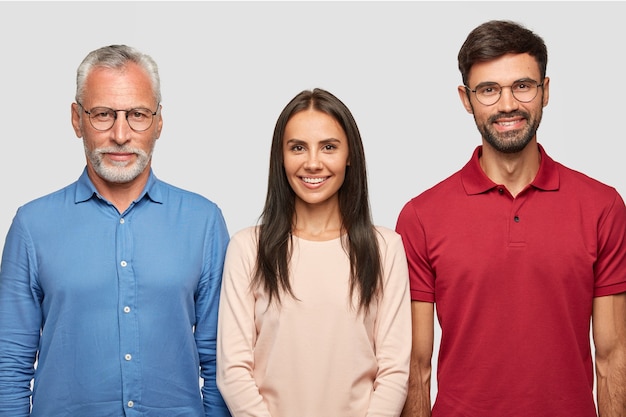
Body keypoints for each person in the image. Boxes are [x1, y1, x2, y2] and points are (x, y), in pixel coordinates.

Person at [396, 20, 626, 417]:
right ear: (466, 99)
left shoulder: (602, 207)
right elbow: (416, 368)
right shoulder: (421, 216)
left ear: (545, 91)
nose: (507, 105)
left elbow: (612, 358)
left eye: (522, 86)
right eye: (488, 90)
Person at [0, 45, 231, 417]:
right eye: (103, 114)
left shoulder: (204, 223)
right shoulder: (31, 226)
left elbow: (221, 360)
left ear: (158, 121)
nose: (121, 134)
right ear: (77, 119)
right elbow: (8, 365)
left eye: (137, 114)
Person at [216, 88, 411, 416]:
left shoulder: (385, 249)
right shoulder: (248, 248)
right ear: (281, 156)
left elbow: (394, 372)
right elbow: (233, 371)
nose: (313, 163)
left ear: (350, 155)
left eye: (329, 147)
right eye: (297, 148)